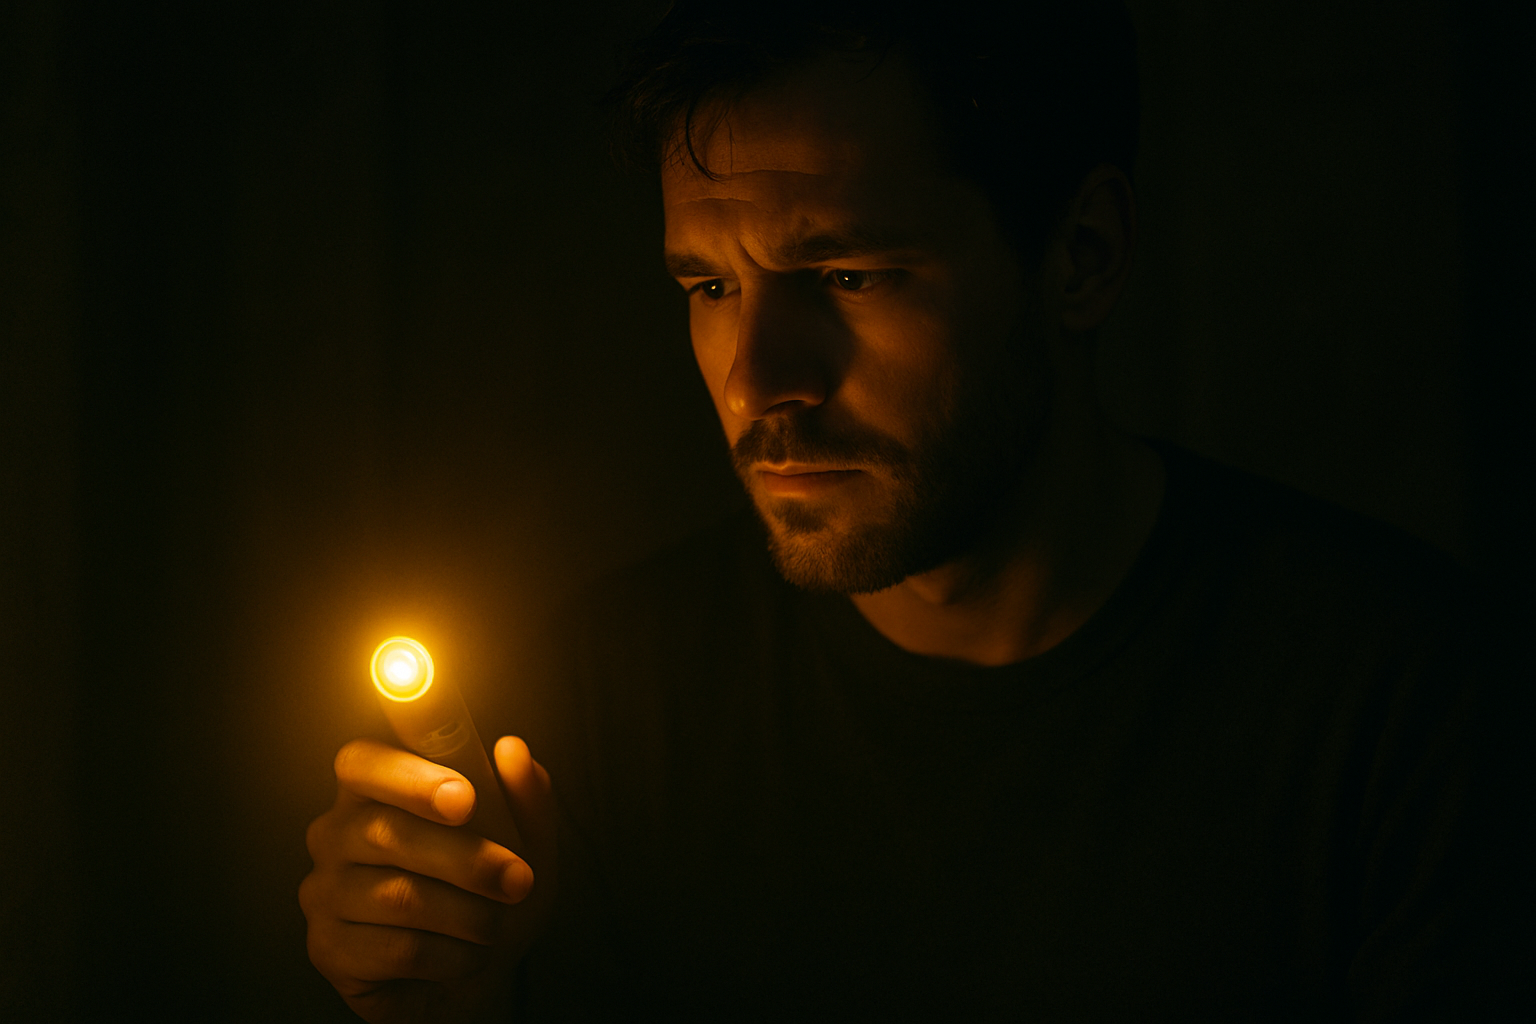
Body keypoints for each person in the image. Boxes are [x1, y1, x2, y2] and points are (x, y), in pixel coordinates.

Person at [300, 2, 1521, 1020]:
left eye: (846, 274)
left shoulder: (1408, 706)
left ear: (1083, 255)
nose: (756, 377)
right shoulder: (584, 721)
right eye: (710, 284)